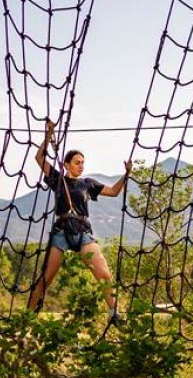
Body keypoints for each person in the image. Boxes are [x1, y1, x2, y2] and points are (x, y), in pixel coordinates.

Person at [27, 119, 132, 321]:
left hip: (83, 230)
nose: (81, 166)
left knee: (104, 274)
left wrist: (126, 174)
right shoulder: (58, 179)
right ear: (66, 164)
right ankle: (27, 317)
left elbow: (114, 191)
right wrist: (49, 136)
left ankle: (113, 313)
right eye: (77, 162)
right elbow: (39, 158)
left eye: (83, 163)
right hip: (61, 231)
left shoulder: (87, 183)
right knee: (45, 279)